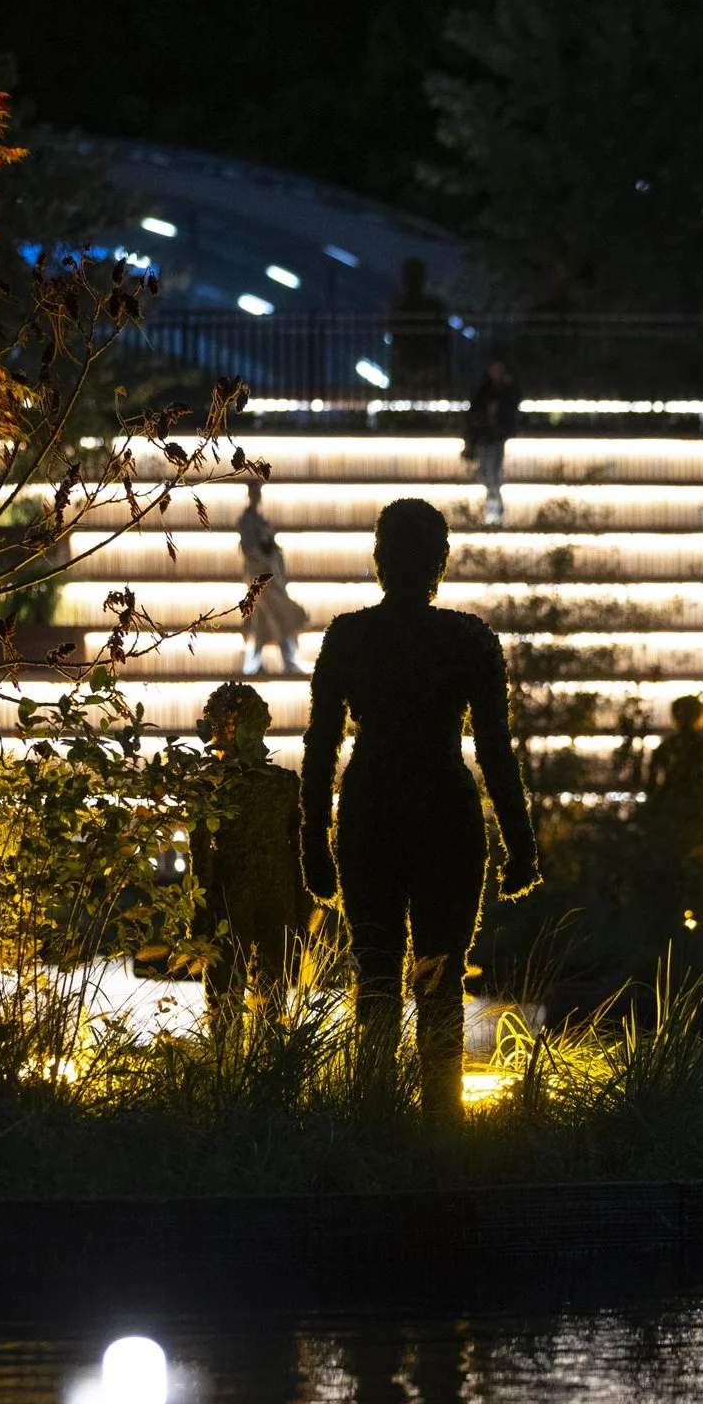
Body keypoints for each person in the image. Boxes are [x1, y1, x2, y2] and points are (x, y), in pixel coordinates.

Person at [301, 499, 540, 1125]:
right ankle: (442, 1125)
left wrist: (312, 841)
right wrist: (521, 846)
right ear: (442, 561)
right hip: (445, 812)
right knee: (440, 976)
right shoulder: (469, 639)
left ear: (379, 560)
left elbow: (321, 745)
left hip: (370, 809)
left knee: (375, 970)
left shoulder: (349, 636)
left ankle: (374, 1116)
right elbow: (494, 750)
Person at [191, 683, 311, 1000]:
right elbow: (301, 854)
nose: (220, 736)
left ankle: (236, 1049)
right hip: (265, 899)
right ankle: (269, 1050)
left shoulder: (210, 786)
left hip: (231, 900)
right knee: (262, 1001)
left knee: (230, 1000)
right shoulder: (284, 784)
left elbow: (200, 857)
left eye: (223, 727)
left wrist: (199, 921)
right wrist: (303, 915)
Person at [640, 694, 703, 894]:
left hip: (674, 811)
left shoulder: (666, 748)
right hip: (697, 810)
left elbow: (651, 785)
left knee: (673, 864)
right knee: (700, 862)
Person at [236, 477, 307, 676]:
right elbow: (250, 549)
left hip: (268, 575)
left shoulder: (259, 521)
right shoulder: (248, 521)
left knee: (264, 619)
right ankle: (287, 660)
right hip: (261, 576)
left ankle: (257, 663)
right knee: (280, 615)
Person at [462, 359, 520, 526]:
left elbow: (513, 406)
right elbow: (472, 416)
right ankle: (493, 514)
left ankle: (494, 514)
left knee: (492, 475)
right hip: (485, 438)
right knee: (488, 475)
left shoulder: (505, 390)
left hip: (495, 438)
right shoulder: (484, 391)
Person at [388, 258, 450, 394]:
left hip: (414, 363)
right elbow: (444, 340)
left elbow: (394, 334)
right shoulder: (434, 306)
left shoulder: (400, 306)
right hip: (423, 363)